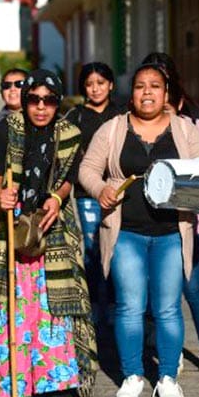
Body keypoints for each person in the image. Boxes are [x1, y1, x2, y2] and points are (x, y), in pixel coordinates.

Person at [0, 69, 98, 397]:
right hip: (7, 228)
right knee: (8, 307)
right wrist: (1, 197)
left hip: (50, 229)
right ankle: (7, 381)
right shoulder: (4, 130)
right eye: (34, 100)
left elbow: (67, 180)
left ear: (58, 103)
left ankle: (57, 382)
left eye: (49, 101)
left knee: (55, 306)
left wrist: (57, 198)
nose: (41, 107)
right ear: (25, 100)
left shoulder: (69, 134)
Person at [78, 63, 199, 397]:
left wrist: (194, 191)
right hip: (126, 234)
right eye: (140, 86)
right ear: (131, 93)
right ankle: (132, 375)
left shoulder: (184, 129)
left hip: (171, 233)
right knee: (129, 306)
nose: (147, 92)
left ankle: (167, 378)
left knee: (168, 308)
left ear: (166, 94)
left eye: (154, 86)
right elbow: (88, 168)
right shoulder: (112, 129)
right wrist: (100, 190)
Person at [141, 52, 199, 378]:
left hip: (192, 225)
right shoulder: (141, 130)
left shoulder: (193, 127)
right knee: (165, 293)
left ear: (177, 102)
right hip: (156, 225)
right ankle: (173, 351)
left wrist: (191, 172)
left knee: (192, 289)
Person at [64, 62, 123, 326]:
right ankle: (93, 307)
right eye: (89, 84)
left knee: (117, 247)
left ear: (111, 85)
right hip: (87, 194)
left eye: (100, 83)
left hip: (119, 193)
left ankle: (116, 303)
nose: (95, 89)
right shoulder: (74, 116)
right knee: (92, 250)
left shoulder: (122, 115)